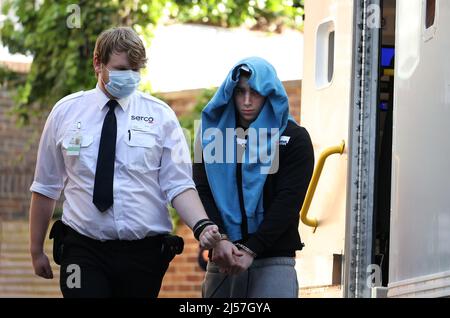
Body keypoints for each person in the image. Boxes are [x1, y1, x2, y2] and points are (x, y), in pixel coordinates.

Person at [29, 26, 221, 298]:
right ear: (98, 62)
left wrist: (202, 225)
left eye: (135, 70)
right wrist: (36, 250)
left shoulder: (160, 116)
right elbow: (46, 186)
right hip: (82, 249)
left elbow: (178, 184)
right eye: (120, 69)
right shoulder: (66, 113)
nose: (129, 77)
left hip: (143, 255)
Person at [193, 57, 314, 298]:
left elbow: (288, 202)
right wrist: (221, 240)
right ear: (230, 94)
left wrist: (252, 248)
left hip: (273, 260)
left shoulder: (294, 138)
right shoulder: (211, 137)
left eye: (255, 93)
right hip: (223, 256)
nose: (247, 101)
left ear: (270, 94)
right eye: (240, 92)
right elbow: (201, 191)